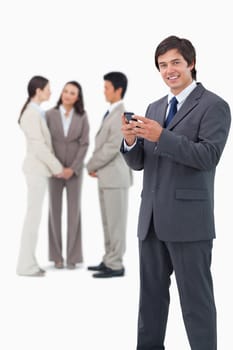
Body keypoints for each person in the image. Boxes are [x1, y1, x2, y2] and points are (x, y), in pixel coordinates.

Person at [121, 35, 231, 349]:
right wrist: (130, 141)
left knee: (196, 304)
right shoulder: (155, 107)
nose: (169, 70)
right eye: (162, 65)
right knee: (150, 303)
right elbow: (141, 162)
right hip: (152, 220)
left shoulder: (214, 106)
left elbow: (208, 156)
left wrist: (162, 136)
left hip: (189, 223)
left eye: (175, 63)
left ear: (191, 64)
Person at [86, 71, 132, 278]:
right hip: (107, 177)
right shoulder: (110, 113)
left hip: (115, 178)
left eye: (106, 87)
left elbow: (112, 147)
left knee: (116, 223)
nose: (103, 91)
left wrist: (90, 165)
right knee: (107, 222)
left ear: (118, 90)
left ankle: (116, 265)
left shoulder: (121, 115)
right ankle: (109, 259)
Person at [17, 76, 64, 277]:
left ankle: (29, 262)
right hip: (36, 170)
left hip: (39, 170)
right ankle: (25, 266)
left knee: (34, 218)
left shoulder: (38, 112)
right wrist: (57, 167)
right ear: (38, 90)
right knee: (32, 219)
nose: (50, 92)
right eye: (48, 89)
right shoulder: (30, 114)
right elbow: (38, 146)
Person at [46, 81, 89, 269]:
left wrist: (73, 168)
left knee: (74, 212)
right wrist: (55, 166)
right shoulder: (49, 114)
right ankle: (56, 257)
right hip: (53, 170)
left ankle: (72, 257)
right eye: (65, 91)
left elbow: (84, 143)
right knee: (54, 212)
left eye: (72, 93)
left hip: (74, 171)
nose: (68, 95)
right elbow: (45, 142)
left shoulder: (82, 116)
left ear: (77, 97)